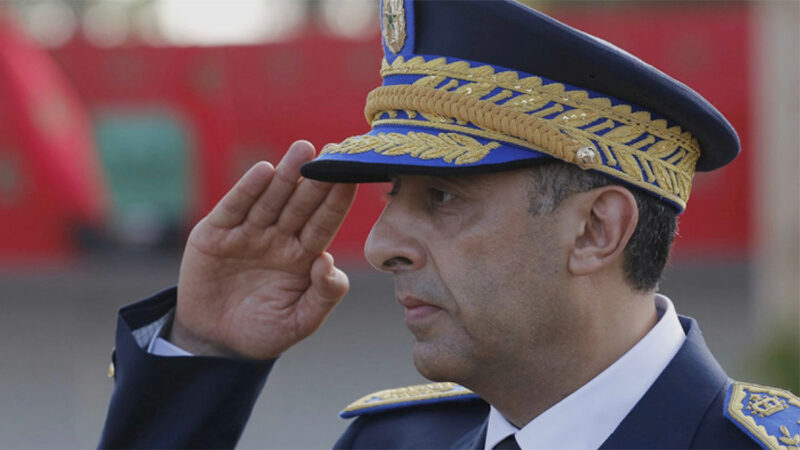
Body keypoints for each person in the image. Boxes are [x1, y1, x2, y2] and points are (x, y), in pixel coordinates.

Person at [99, 1, 798, 448]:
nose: (380, 247)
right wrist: (204, 352)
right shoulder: (395, 443)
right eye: (391, 195)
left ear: (596, 230)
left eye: (441, 197)